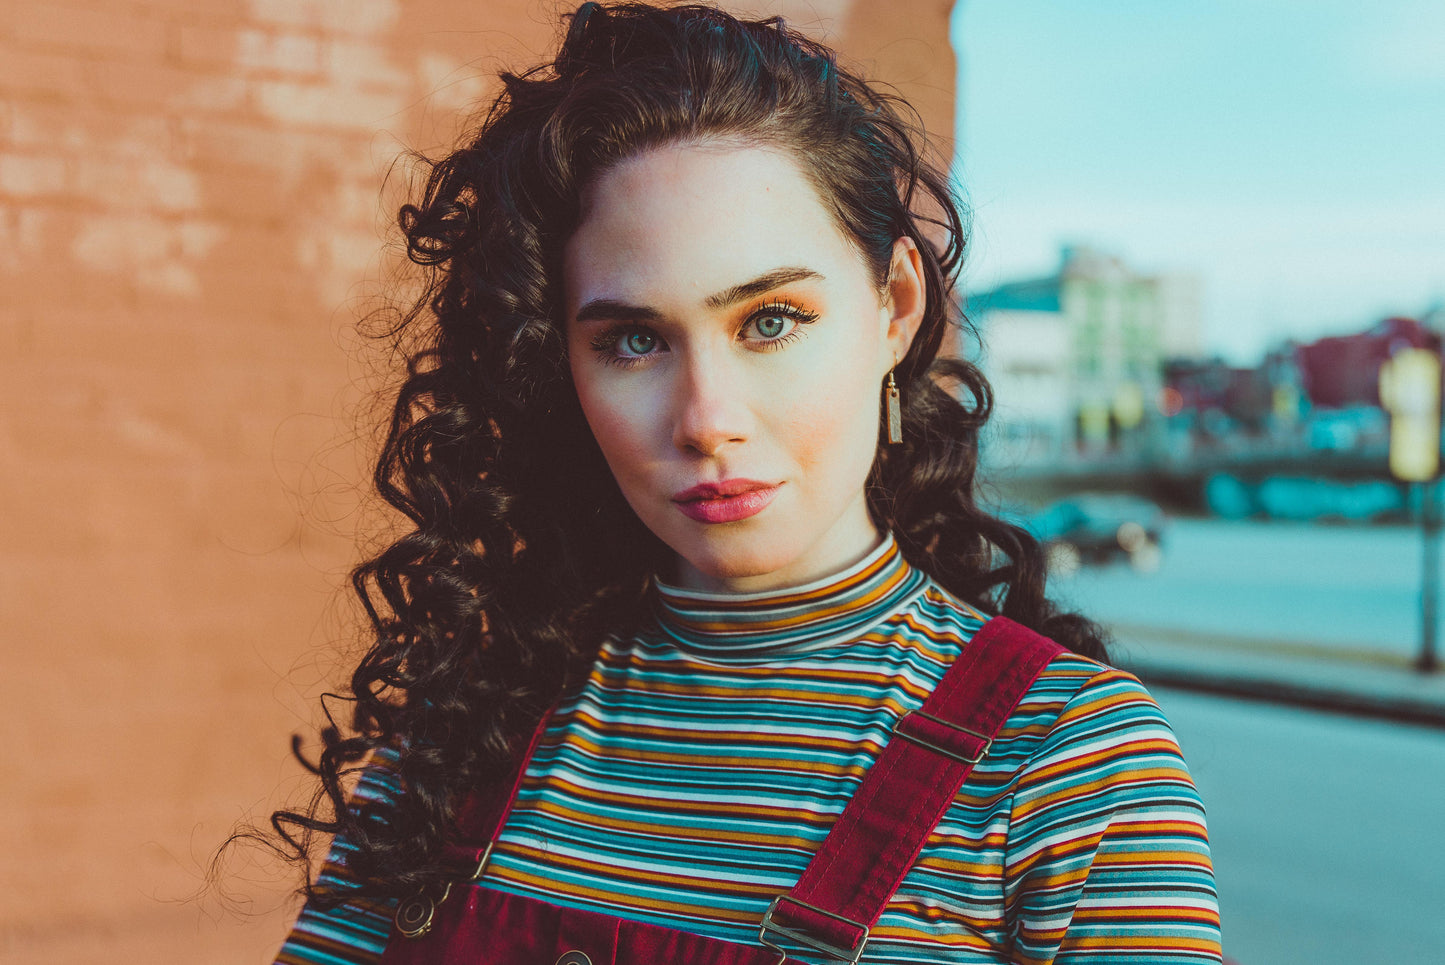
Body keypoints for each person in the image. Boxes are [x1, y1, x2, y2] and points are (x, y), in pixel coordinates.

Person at [269, 3, 1221, 963]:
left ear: (892, 307)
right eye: (634, 341)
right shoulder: (472, 720)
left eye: (770, 320)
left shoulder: (1070, 768)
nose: (705, 418)